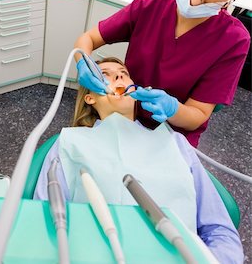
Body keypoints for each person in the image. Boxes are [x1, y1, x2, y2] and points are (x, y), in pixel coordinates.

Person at [34, 57, 243, 264]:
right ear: (90, 98)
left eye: (124, 74)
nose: (118, 76)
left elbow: (220, 230)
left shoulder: (175, 144)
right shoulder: (69, 142)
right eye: (104, 75)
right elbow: (42, 221)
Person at [74, 0, 251, 147]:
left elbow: (197, 115)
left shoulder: (233, 40)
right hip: (125, 119)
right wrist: (83, 62)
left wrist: (173, 109)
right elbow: (88, 39)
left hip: (171, 138)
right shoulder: (149, 7)